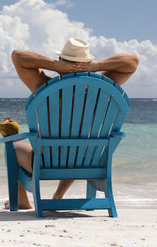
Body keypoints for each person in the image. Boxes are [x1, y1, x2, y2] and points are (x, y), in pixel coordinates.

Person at [8, 38, 139, 209]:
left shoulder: (44, 87)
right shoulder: (100, 90)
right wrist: (96, 66)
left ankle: (23, 201)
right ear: (88, 62)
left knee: (12, 146)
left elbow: (17, 56)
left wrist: (56, 66)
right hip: (86, 161)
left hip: (45, 162)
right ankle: (59, 195)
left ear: (63, 61)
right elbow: (132, 62)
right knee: (76, 148)